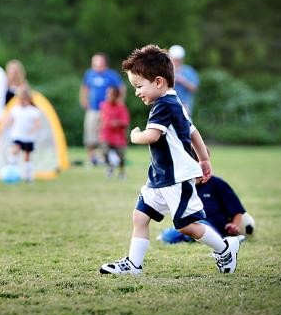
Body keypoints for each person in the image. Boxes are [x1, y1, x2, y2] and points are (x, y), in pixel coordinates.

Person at [99, 45, 242, 275]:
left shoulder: (163, 106)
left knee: (187, 226)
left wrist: (135, 136)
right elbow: (193, 131)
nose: (136, 92)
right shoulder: (175, 101)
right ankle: (134, 265)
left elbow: (152, 136)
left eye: (138, 86)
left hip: (176, 178)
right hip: (160, 176)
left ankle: (225, 248)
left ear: (158, 82)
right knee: (140, 216)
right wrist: (204, 159)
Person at [158, 176, 252, 244]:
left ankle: (226, 240)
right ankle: (189, 237)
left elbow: (237, 210)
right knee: (168, 236)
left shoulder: (218, 184)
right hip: (190, 224)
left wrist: (234, 226)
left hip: (214, 226)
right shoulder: (186, 186)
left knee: (199, 224)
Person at [80, 53, 126, 166]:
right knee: (90, 134)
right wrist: (84, 100)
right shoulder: (89, 74)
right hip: (93, 109)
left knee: (105, 135)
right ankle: (91, 159)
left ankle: (103, 159)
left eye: (98, 61)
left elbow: (121, 88)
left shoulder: (111, 75)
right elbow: (84, 88)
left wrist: (119, 102)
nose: (95, 64)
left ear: (104, 62)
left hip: (107, 111)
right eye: (94, 61)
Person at [0, 89, 41, 182]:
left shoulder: (33, 111)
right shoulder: (15, 109)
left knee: (27, 157)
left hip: (28, 138)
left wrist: (32, 130)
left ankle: (28, 176)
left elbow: (37, 123)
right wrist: (3, 127)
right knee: (14, 151)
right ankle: (12, 170)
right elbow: (10, 120)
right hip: (17, 135)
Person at [99, 86, 130, 179]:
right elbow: (102, 119)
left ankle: (121, 172)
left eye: (110, 94)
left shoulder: (121, 108)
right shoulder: (104, 105)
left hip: (118, 137)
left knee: (121, 156)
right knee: (104, 151)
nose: (107, 96)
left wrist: (117, 123)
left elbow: (125, 122)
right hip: (106, 135)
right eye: (107, 94)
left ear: (116, 96)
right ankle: (109, 167)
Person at [168, 45, 199, 115]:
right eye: (175, 59)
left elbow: (195, 89)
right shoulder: (165, 71)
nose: (176, 61)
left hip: (185, 109)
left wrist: (183, 81)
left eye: (178, 59)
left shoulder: (189, 71)